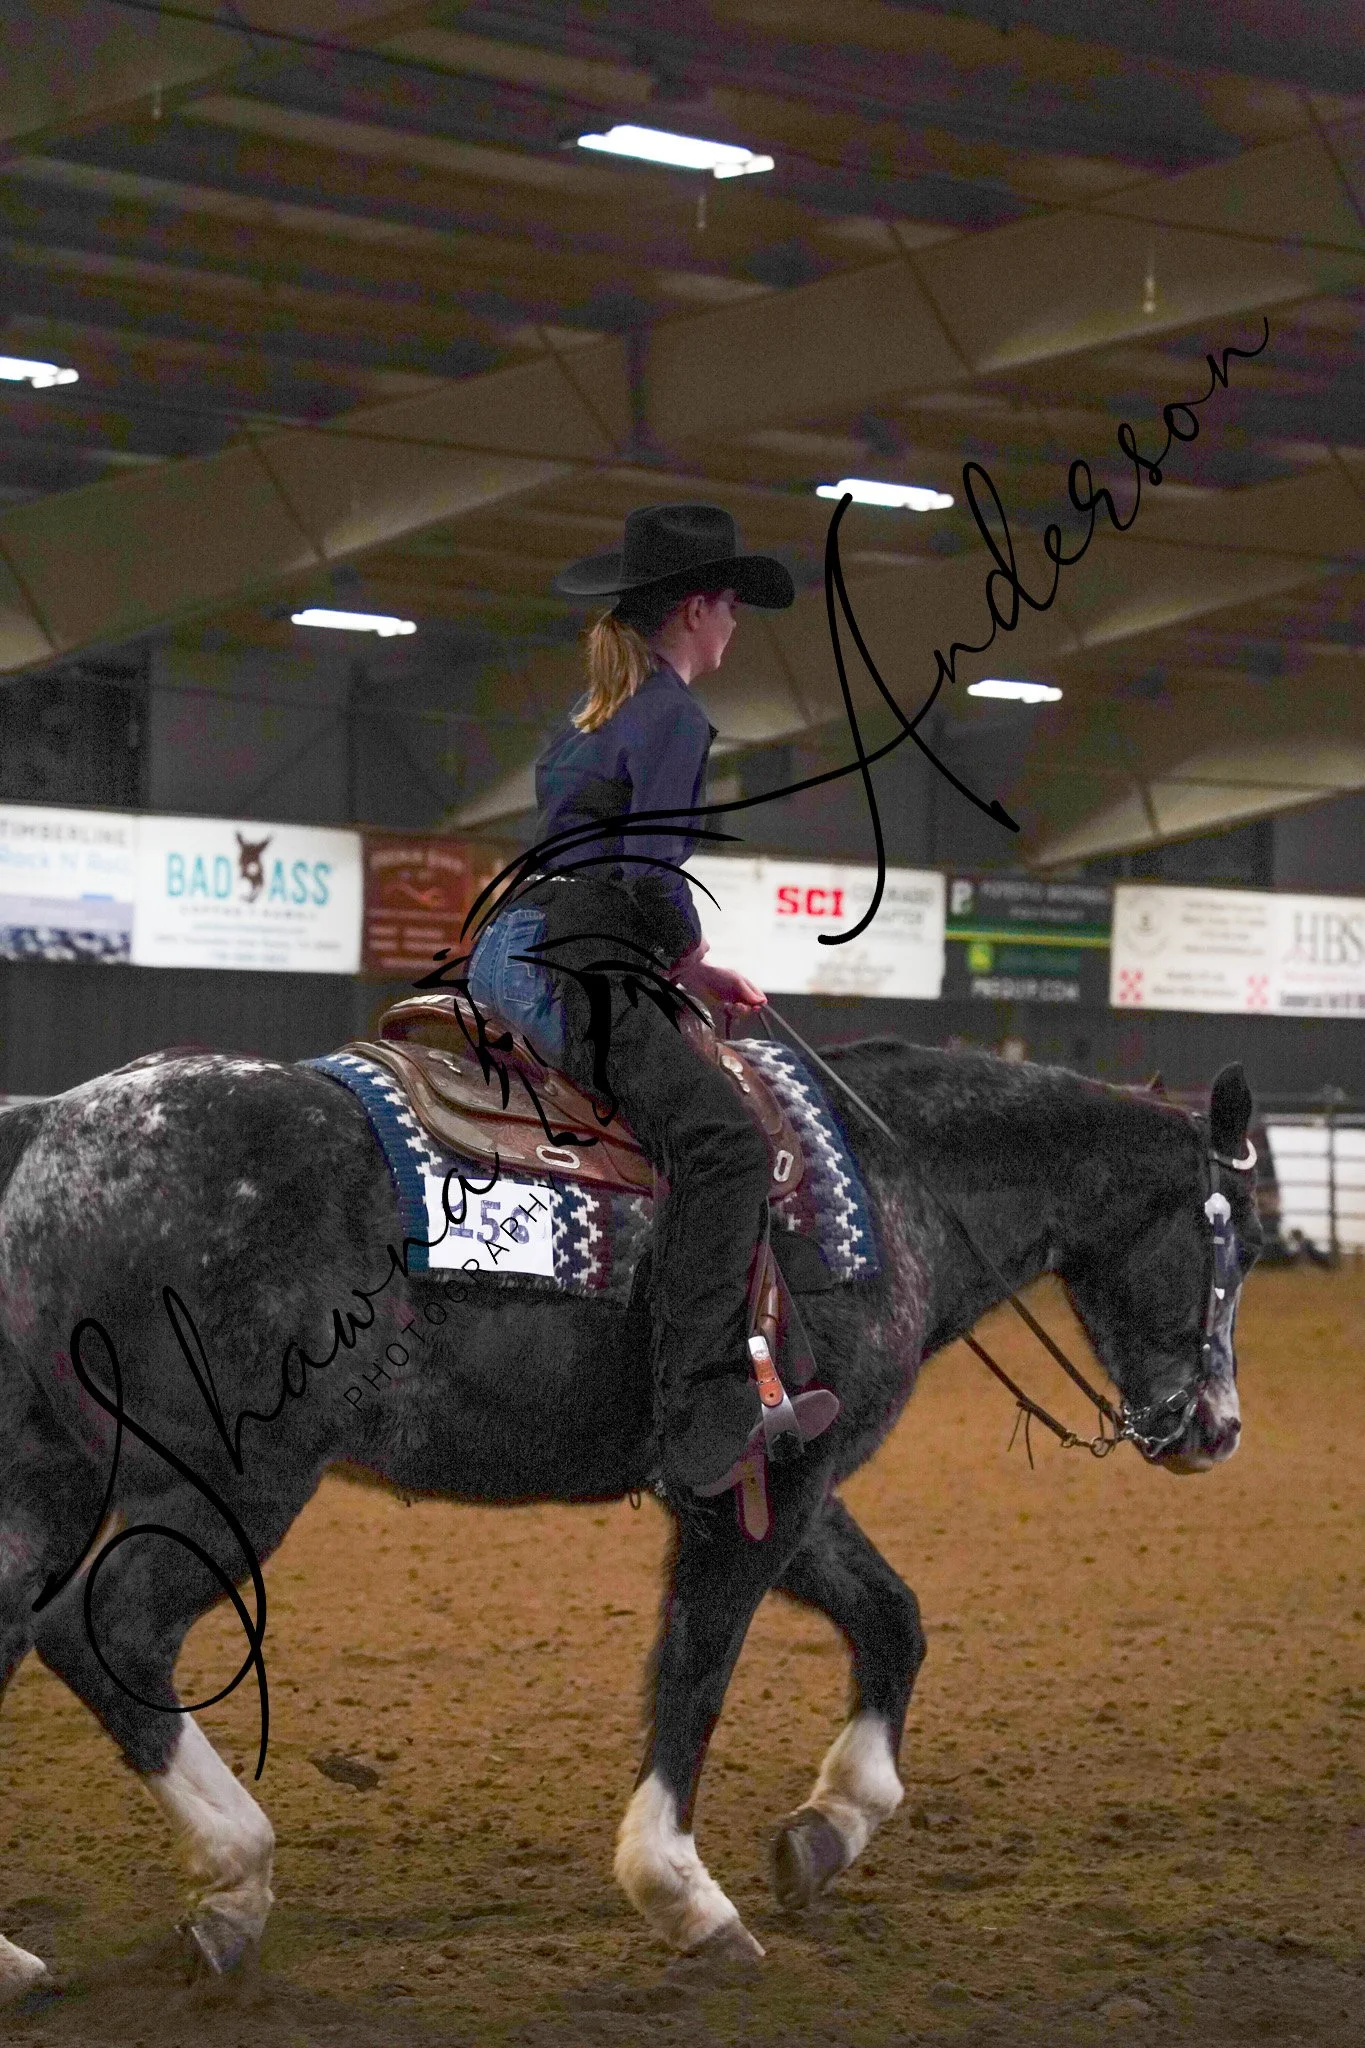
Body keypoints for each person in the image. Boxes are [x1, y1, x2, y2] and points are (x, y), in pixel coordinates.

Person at [466, 503, 829, 1503]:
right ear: (698, 610)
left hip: (519, 946)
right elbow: (648, 871)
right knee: (726, 1145)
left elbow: (603, 866)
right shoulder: (672, 715)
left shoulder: (591, 712)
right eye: (732, 608)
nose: (736, 627)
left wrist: (688, 969)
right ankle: (695, 1408)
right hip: (577, 963)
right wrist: (693, 953)